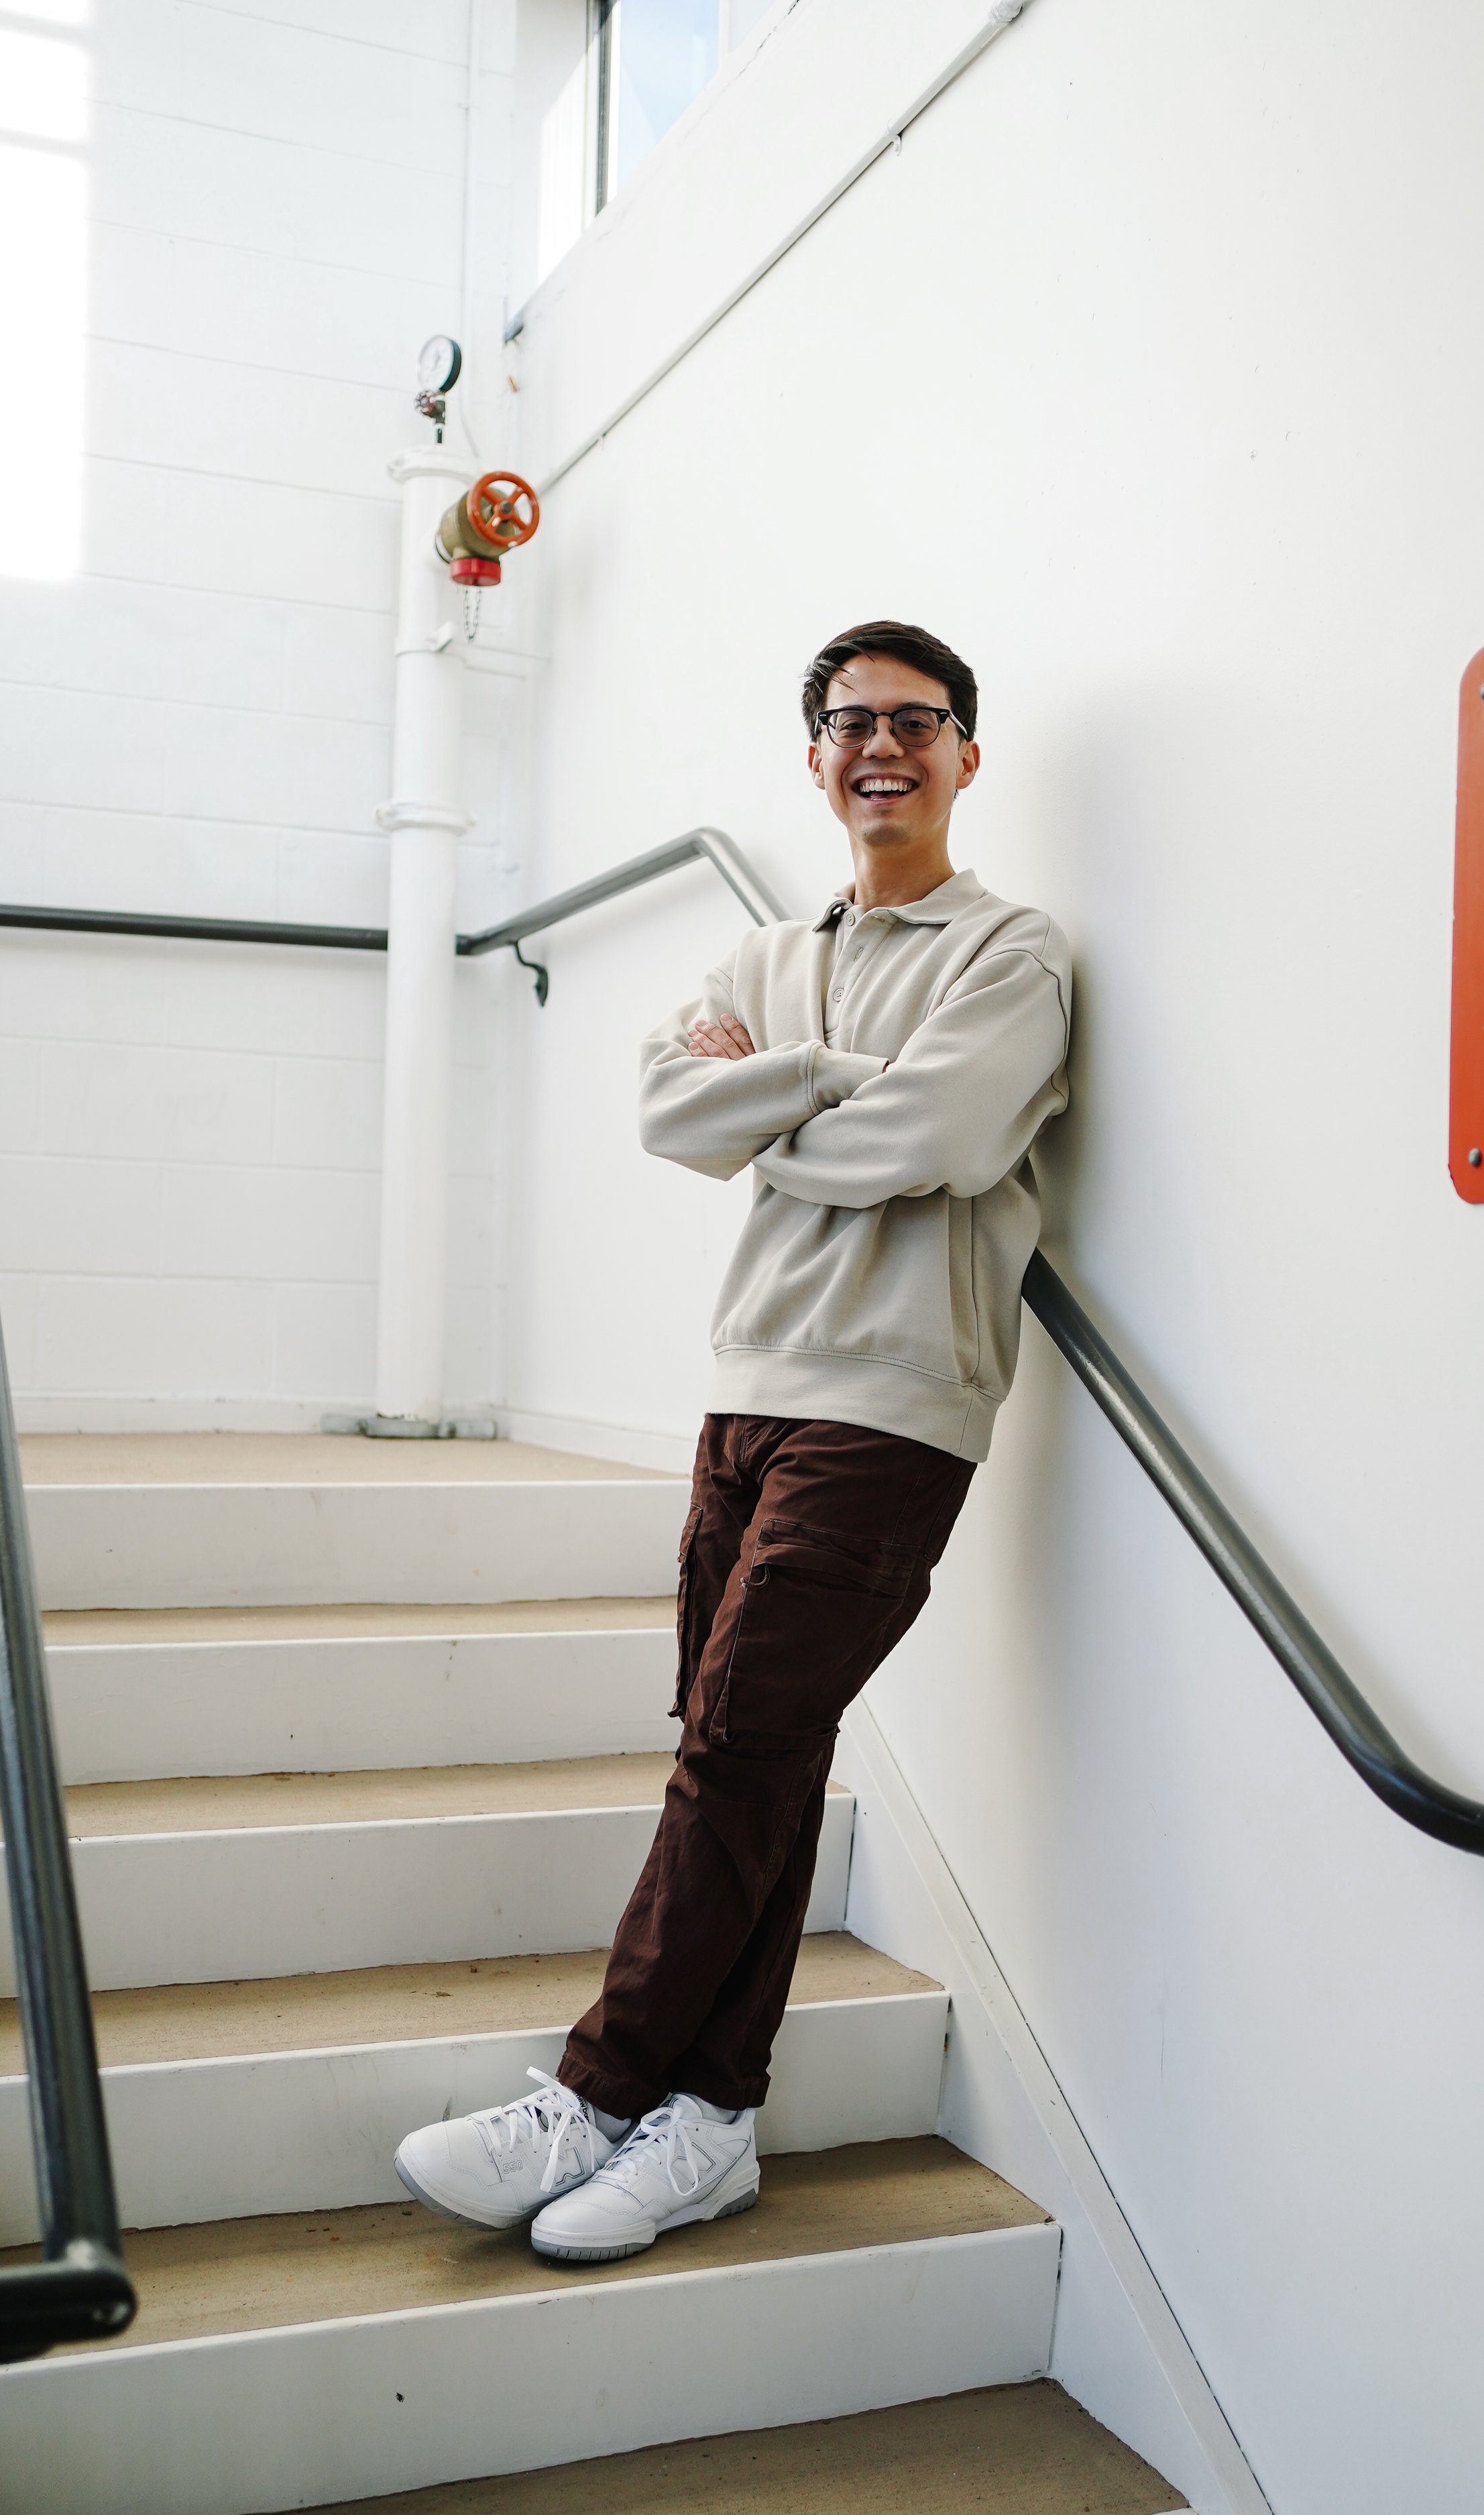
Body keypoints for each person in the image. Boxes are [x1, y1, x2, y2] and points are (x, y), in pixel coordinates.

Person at [395, 620, 1072, 2263]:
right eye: (850, 724)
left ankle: (599, 2085)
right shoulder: (771, 952)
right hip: (746, 1391)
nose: (881, 748)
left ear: (967, 756)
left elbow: (940, 1133)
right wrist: (836, 1082)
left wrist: (780, 1104)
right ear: (817, 757)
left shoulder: (1012, 954)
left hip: (893, 1403)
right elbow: (663, 1111)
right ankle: (710, 2123)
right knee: (752, 1751)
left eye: (918, 723)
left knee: (733, 1749)